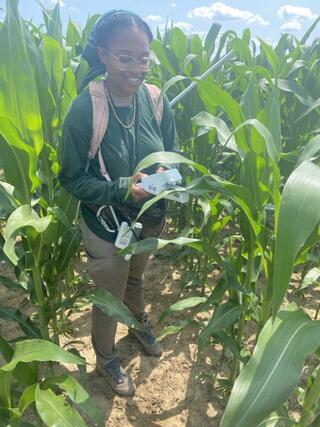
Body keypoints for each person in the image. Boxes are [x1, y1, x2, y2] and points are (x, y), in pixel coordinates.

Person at [58, 10, 179, 396]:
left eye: (143, 58)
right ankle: (107, 358)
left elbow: (174, 156)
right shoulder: (86, 109)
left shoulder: (157, 100)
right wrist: (123, 189)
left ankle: (139, 325)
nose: (136, 68)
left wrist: (165, 173)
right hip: (107, 225)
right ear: (104, 55)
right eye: (125, 57)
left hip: (149, 220)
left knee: (136, 280)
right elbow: (72, 178)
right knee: (109, 294)